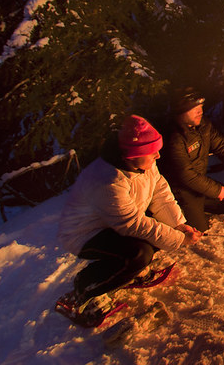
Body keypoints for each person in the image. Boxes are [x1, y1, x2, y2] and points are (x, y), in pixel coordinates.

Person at [56, 115, 201, 324]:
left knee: (158, 234)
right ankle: (88, 285)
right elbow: (133, 224)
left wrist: (178, 225)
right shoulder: (108, 179)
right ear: (134, 154)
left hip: (113, 222)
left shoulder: (144, 164)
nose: (158, 156)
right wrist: (178, 238)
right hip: (85, 233)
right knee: (139, 253)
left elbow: (160, 192)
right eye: (152, 152)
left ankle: (128, 271)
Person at [161, 87, 224, 232]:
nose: (200, 111)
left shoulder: (203, 125)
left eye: (201, 107)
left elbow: (222, 148)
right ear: (181, 111)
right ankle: (178, 210)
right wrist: (217, 190)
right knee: (199, 229)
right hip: (179, 190)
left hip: (199, 183)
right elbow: (186, 175)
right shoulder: (174, 137)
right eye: (195, 109)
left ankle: (201, 202)